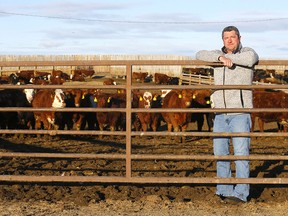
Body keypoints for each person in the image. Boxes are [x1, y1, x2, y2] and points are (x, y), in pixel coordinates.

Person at [196, 26, 259, 204]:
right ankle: (223, 189)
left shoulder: (247, 52)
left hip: (239, 112)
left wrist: (229, 59)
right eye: (226, 38)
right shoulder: (217, 54)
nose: (230, 40)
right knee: (221, 152)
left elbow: (251, 58)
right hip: (220, 113)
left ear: (240, 38)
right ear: (222, 40)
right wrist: (220, 58)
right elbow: (199, 54)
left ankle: (241, 193)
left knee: (241, 153)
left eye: (233, 37)